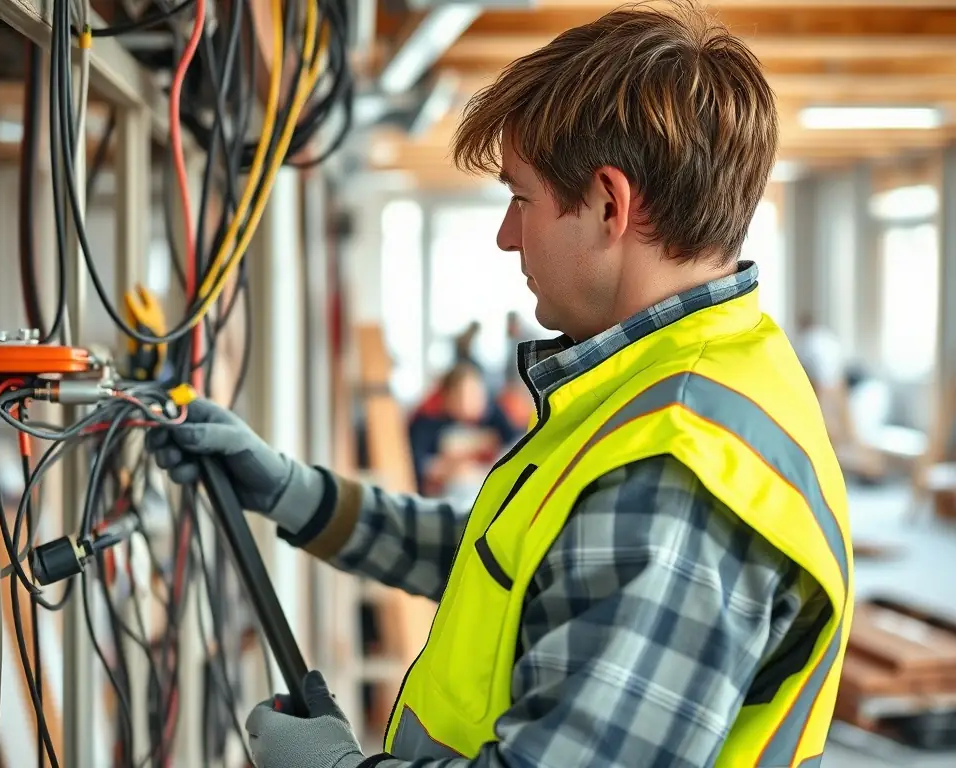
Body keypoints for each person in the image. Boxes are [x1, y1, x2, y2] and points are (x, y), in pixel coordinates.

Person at [147, 3, 853, 766]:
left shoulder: (673, 471)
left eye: (521, 198)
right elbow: (512, 566)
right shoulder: (701, 371)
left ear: (610, 206)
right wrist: (292, 492)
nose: (506, 234)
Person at [408, 362, 520, 497]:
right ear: (448, 398)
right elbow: (417, 463)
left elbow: (516, 442)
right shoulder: (428, 422)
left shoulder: (494, 416)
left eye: (479, 393)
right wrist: (446, 469)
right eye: (468, 395)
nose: (477, 401)